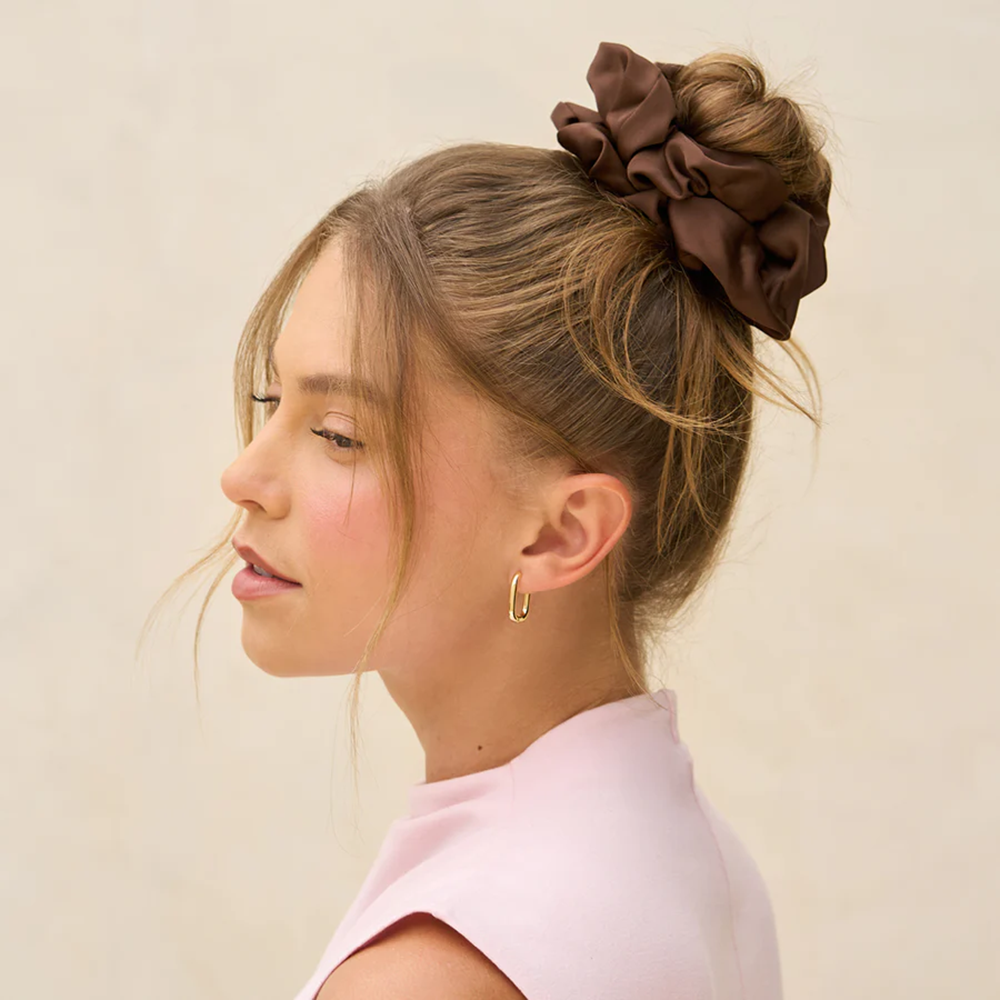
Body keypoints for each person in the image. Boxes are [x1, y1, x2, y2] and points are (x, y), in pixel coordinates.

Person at [163, 39, 833, 1000]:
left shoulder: (433, 972)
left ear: (562, 533)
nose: (244, 477)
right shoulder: (699, 867)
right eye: (275, 403)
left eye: (340, 434)